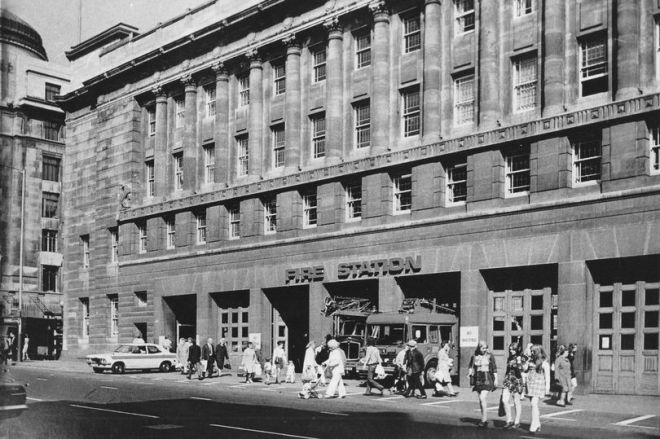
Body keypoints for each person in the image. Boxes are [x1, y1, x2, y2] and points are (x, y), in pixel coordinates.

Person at [468, 340, 497, 428]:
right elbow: (471, 366)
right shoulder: (474, 356)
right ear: (479, 348)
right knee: (481, 400)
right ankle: (483, 418)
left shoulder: (490, 356)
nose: (485, 350)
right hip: (478, 379)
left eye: (486, 348)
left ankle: (484, 420)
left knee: (482, 397)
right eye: (483, 348)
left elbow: (494, 368)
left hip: (487, 378)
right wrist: (469, 373)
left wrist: (496, 380)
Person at [526, 344, 550, 433]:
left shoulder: (544, 363)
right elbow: (525, 369)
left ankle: (533, 425)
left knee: (533, 403)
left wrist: (547, 388)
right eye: (531, 351)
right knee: (534, 405)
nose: (532, 353)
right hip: (530, 383)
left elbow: (547, 376)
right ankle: (538, 423)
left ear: (538, 352)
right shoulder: (530, 360)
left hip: (539, 384)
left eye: (533, 351)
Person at [501, 342, 524, 429]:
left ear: (517, 349)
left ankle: (517, 421)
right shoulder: (509, 357)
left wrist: (518, 363)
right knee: (504, 400)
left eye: (513, 349)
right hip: (508, 379)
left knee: (516, 401)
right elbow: (507, 369)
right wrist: (504, 379)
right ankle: (509, 420)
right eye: (510, 349)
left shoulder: (521, 357)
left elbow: (523, 369)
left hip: (517, 380)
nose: (511, 351)